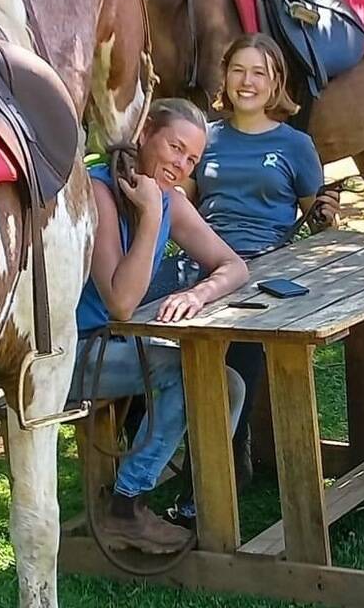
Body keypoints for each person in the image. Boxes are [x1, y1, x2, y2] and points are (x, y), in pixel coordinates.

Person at [149, 36, 336, 488]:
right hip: (205, 261)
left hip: (266, 267)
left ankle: (220, 461)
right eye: (238, 70)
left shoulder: (296, 144)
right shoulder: (205, 137)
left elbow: (317, 221)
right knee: (148, 331)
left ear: (276, 83)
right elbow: (181, 205)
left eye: (259, 73)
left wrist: (326, 215)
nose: (247, 81)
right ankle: (185, 453)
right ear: (225, 75)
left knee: (242, 348)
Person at [70, 98, 250, 554]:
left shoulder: (169, 198)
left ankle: (178, 500)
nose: (181, 164)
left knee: (226, 383)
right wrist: (150, 216)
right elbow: (122, 303)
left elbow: (233, 266)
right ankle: (126, 508)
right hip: (69, 354)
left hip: (112, 349)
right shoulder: (99, 191)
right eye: (175, 147)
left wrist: (198, 293)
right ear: (145, 131)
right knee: (191, 375)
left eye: (192, 158)